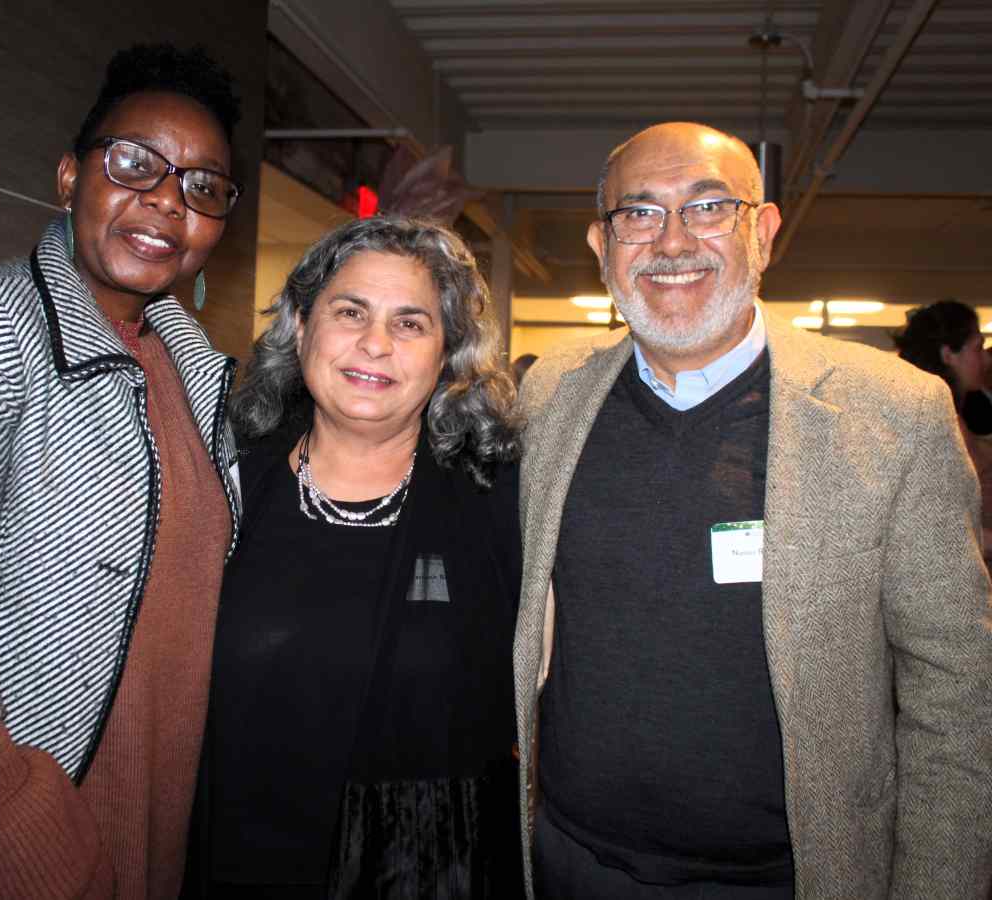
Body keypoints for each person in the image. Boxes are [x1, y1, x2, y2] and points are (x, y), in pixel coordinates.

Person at [513, 122, 992, 900]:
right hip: (574, 862)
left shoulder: (895, 413)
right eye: (639, 213)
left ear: (763, 233)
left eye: (709, 207)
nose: (672, 241)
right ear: (602, 246)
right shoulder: (551, 394)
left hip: (793, 879)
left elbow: (956, 688)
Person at [0, 44, 244, 898]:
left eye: (204, 186)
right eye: (135, 162)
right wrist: (7, 827)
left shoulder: (192, 370)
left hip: (148, 821)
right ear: (69, 177)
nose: (168, 199)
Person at [200, 216, 524, 899]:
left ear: (448, 354)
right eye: (350, 312)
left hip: (429, 873)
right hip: (228, 865)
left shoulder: (502, 503)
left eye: (410, 323)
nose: (375, 344)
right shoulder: (221, 481)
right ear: (300, 326)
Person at [894, 299, 992, 557]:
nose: (986, 358)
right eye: (978, 347)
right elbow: (937, 527)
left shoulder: (950, 417)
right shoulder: (936, 424)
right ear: (948, 354)